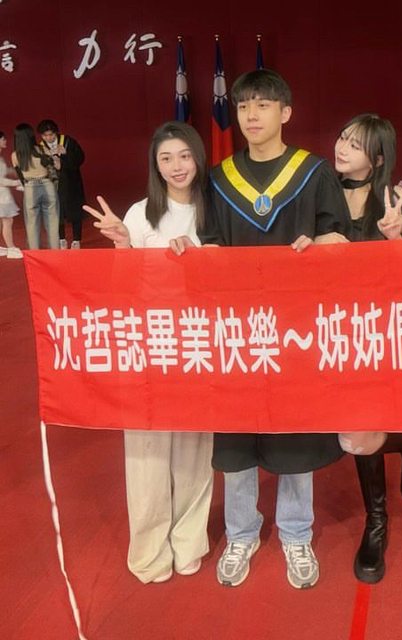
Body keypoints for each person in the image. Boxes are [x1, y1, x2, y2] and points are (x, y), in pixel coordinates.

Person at [171, 69, 352, 590]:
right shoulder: (219, 179)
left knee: (294, 431)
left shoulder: (313, 173)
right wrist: (194, 254)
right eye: (245, 105)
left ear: (285, 112)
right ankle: (241, 532)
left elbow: (339, 240)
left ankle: (296, 533)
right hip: (238, 331)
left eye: (264, 105)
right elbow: (210, 244)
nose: (252, 115)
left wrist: (323, 246)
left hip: (295, 329)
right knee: (236, 433)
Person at [83, 121, 214, 584]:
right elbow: (123, 288)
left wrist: (199, 253)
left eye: (184, 155)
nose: (177, 166)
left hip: (197, 345)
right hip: (150, 346)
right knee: (147, 454)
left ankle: (189, 542)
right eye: (166, 158)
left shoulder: (215, 211)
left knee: (194, 451)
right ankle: (149, 551)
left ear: (198, 158)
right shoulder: (140, 215)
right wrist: (124, 245)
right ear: (155, 166)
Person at [334, 113, 402, 583]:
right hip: (338, 332)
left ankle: (378, 518)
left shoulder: (397, 199)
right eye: (342, 138)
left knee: (364, 427)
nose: (342, 148)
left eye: (355, 145)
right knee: (352, 435)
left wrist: (398, 238)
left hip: (386, 333)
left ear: (377, 159)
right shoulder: (323, 192)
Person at [37, 119, 86, 249]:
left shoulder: (68, 142)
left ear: (56, 133)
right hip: (53, 184)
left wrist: (65, 154)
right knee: (56, 212)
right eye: (45, 135)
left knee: (75, 210)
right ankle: (61, 239)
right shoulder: (40, 147)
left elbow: (80, 159)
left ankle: (76, 240)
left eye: (51, 135)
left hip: (71, 182)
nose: (48, 138)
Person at [11, 123, 59, 249]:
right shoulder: (42, 149)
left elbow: (20, 176)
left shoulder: (15, 155)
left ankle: (35, 254)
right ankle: (56, 254)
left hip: (30, 188)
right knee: (53, 224)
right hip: (47, 185)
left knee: (32, 225)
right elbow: (53, 169)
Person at [0, 131, 23, 259]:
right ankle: (11, 248)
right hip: (1, 196)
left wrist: (14, 171)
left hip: (3, 194)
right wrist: (16, 182)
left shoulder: (0, 157)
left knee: (3, 221)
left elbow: (2, 171)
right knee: (8, 220)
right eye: (3, 139)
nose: (5, 141)